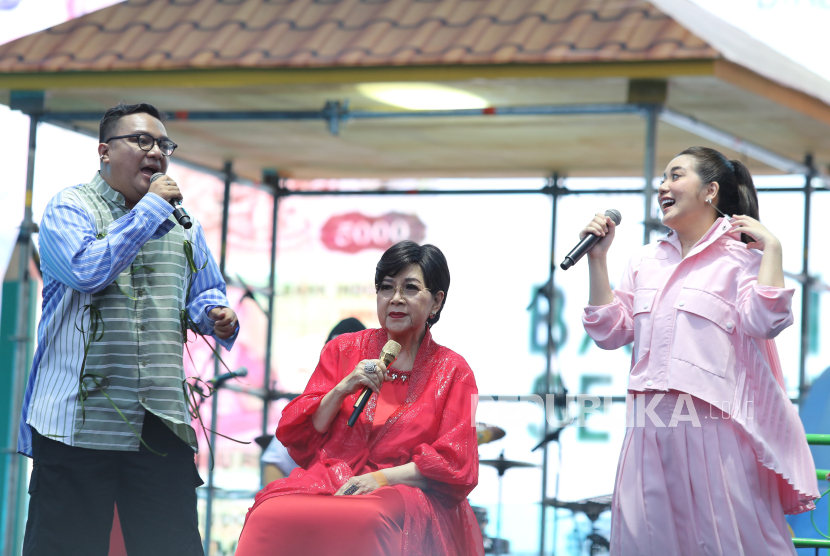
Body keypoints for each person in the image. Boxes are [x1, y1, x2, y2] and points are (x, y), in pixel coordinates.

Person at [19, 102, 239, 556]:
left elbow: (204, 292)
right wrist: (149, 211)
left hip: (160, 421)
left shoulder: (184, 226)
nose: (156, 151)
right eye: (141, 140)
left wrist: (216, 315)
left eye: (163, 144)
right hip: (76, 423)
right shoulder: (69, 208)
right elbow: (86, 270)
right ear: (104, 151)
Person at [580, 146, 819, 555]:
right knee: (646, 541)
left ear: (710, 191)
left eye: (675, 176)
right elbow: (609, 332)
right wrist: (597, 260)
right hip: (648, 425)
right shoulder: (644, 260)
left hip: (714, 425)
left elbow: (768, 322)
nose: (663, 187)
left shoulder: (742, 258)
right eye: (662, 179)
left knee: (728, 538)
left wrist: (773, 249)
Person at [236, 241, 483, 556]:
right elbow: (303, 436)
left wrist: (380, 479)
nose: (395, 299)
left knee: (366, 517)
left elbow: (456, 464)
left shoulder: (455, 371)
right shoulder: (342, 349)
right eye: (386, 287)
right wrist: (342, 388)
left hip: (404, 488)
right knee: (268, 514)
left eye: (409, 288)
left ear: (436, 301)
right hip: (332, 476)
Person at [260, 318, 365, 484]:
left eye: (349, 354)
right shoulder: (312, 402)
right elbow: (275, 462)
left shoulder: (377, 402)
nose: (341, 361)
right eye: (334, 353)